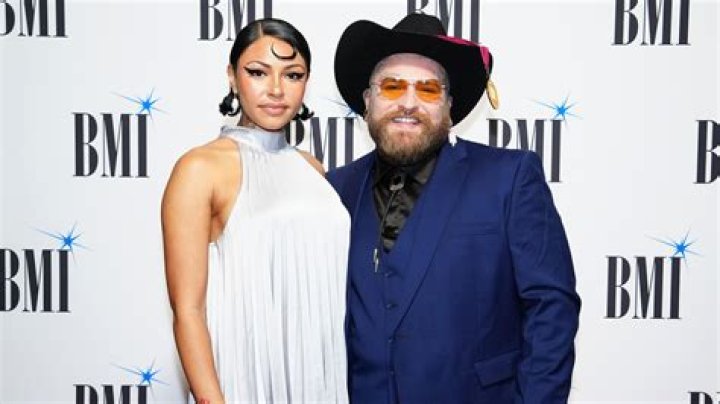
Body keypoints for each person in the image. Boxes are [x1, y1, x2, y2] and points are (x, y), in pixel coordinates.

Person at [328, 13, 581, 403]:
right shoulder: (334, 190)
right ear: (367, 101)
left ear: (449, 106)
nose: (408, 103)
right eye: (392, 86)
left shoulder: (510, 177)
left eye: (428, 90)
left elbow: (551, 309)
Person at [162, 18, 349, 404]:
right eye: (258, 72)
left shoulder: (313, 169)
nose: (276, 89)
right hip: (245, 382)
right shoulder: (199, 169)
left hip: (319, 381)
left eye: (292, 75)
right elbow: (188, 310)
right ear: (232, 77)